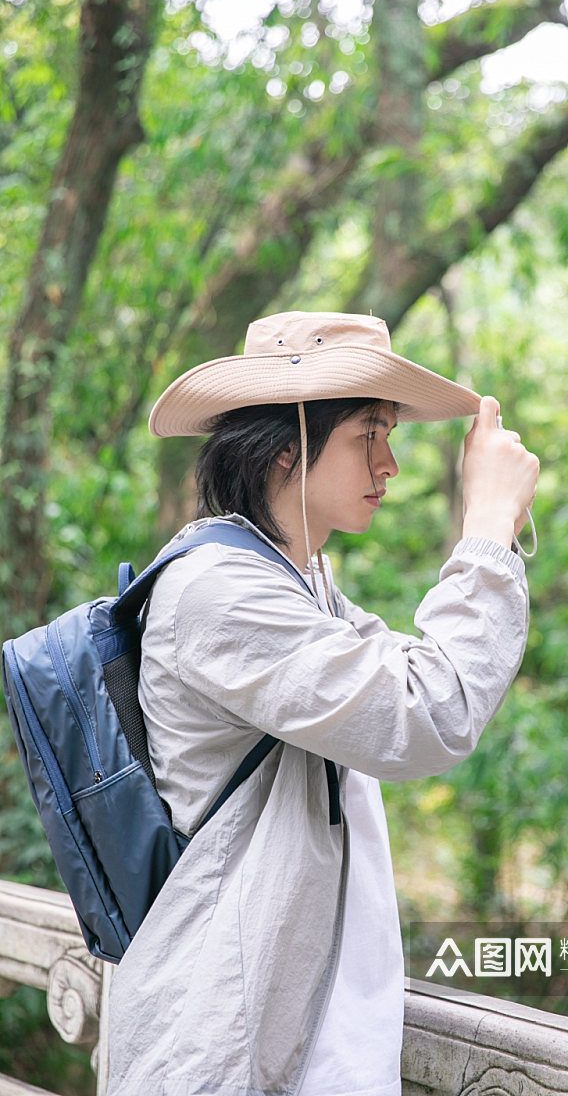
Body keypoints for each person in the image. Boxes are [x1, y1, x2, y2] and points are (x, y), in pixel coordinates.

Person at [106, 310, 539, 1096]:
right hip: (218, 1055)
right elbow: (426, 713)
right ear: (286, 443)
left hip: (297, 1039)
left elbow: (420, 678)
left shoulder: (300, 587)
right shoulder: (220, 593)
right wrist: (485, 528)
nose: (391, 464)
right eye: (368, 434)